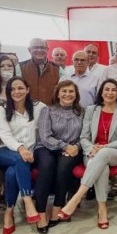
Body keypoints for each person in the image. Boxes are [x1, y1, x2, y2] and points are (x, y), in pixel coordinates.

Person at [56, 79, 117, 229]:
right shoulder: (91, 110)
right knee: (102, 167)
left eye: (113, 90)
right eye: (106, 89)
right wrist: (91, 149)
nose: (110, 93)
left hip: (116, 152)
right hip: (91, 152)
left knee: (103, 154)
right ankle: (102, 209)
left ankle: (77, 197)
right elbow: (84, 137)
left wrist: (103, 147)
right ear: (101, 93)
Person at [0, 77, 48, 234]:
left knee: (12, 172)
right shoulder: (1, 110)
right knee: (19, 158)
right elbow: (4, 135)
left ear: (27, 90)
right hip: (5, 151)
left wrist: (29, 150)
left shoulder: (39, 107)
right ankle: (28, 200)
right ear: (8, 92)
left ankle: (9, 211)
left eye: (20, 88)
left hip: (30, 152)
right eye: (12, 89)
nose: (16, 92)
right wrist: (20, 148)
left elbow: (44, 130)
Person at [35, 80, 85, 226]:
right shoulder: (47, 110)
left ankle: (57, 207)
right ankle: (41, 212)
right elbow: (45, 136)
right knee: (46, 166)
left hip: (73, 148)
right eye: (64, 91)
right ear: (57, 94)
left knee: (64, 167)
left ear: (76, 95)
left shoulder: (82, 112)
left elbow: (86, 135)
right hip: (47, 147)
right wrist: (64, 146)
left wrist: (76, 146)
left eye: (71, 91)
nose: (67, 94)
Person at [20, 38, 64, 106]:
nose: (39, 50)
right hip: (27, 110)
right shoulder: (20, 67)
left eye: (42, 47)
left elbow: (63, 91)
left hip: (51, 110)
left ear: (47, 50)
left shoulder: (58, 69)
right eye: (35, 47)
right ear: (29, 50)